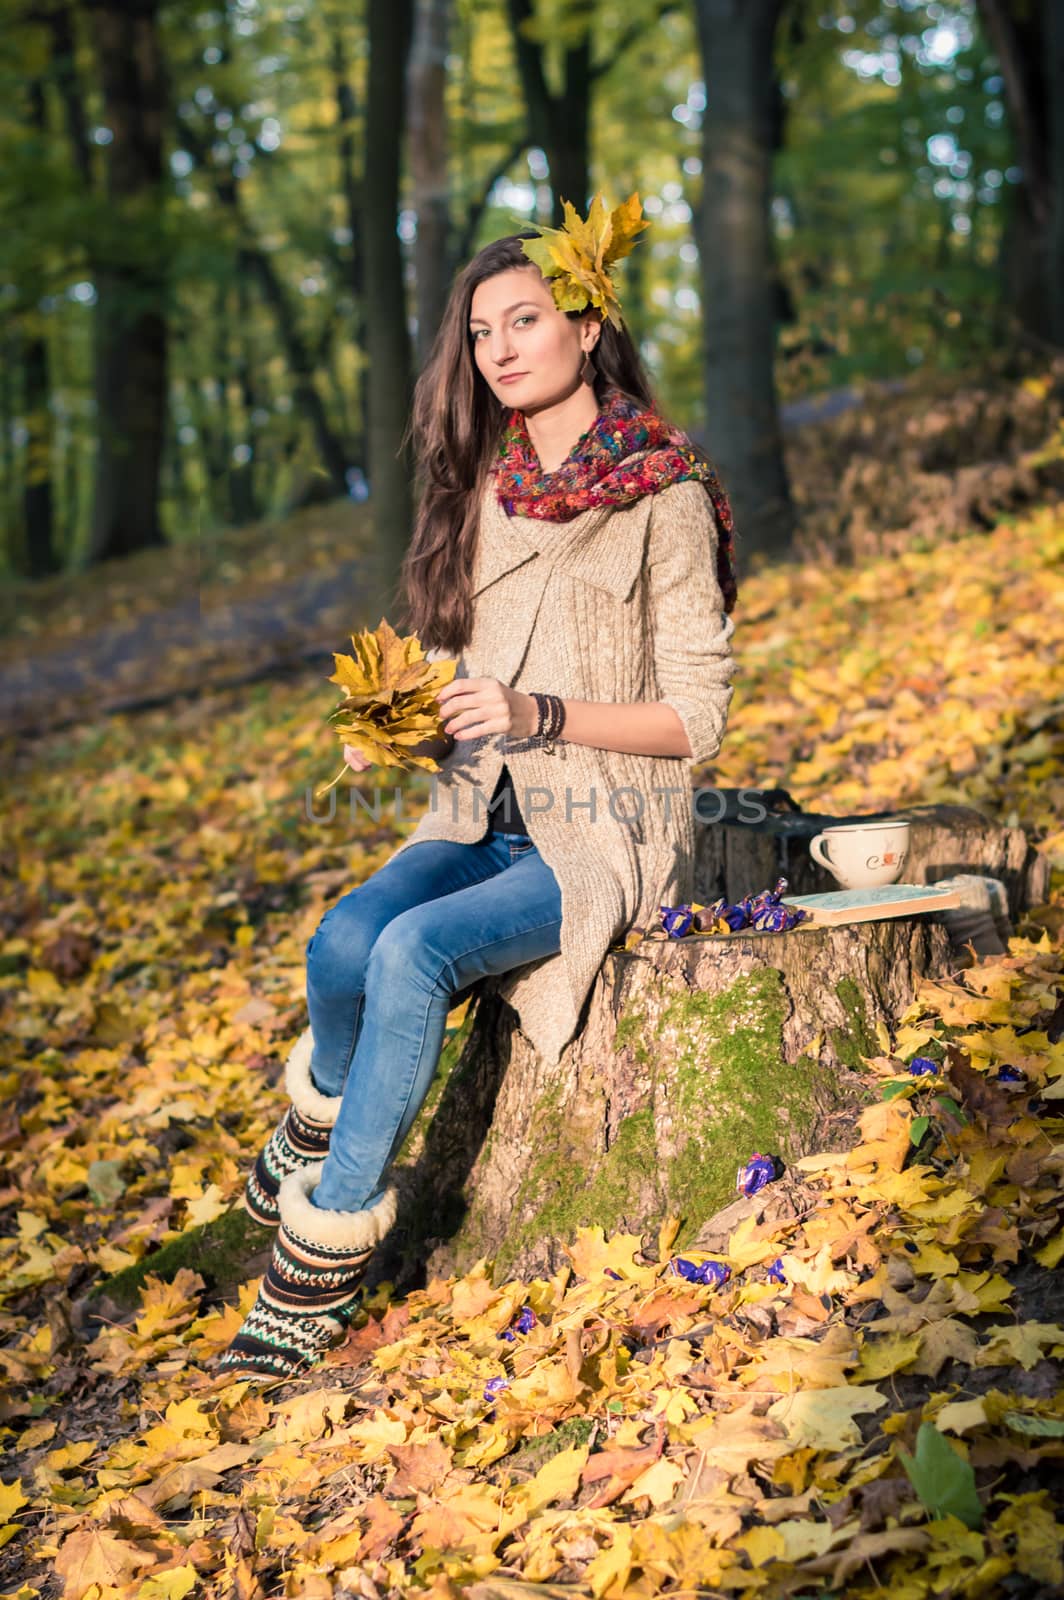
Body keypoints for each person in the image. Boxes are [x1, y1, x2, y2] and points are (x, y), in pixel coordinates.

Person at [218, 193, 739, 1380]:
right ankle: (321, 1107)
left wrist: (536, 714)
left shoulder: (663, 493)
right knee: (345, 937)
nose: (498, 348)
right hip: (472, 806)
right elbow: (463, 672)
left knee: (411, 956)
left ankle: (318, 1254)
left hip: (601, 832)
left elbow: (698, 717)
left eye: (522, 320)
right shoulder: (492, 492)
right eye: (481, 332)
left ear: (587, 326)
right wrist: (396, 726)